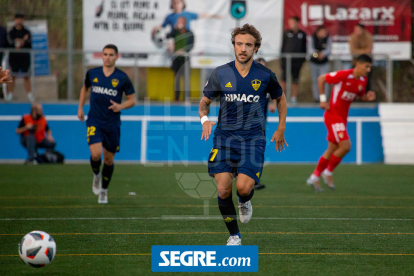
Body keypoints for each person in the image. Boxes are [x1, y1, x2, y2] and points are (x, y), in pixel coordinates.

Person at [199, 24, 288, 245]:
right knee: (222, 190)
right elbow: (204, 102)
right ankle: (234, 236)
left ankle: (245, 200)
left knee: (243, 188)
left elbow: (281, 99)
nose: (243, 48)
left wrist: (281, 127)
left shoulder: (266, 75)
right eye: (239, 44)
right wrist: (204, 119)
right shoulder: (220, 73)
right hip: (224, 139)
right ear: (234, 45)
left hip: (252, 140)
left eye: (248, 44)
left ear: (255, 48)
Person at [306, 54, 376, 192]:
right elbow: (321, 79)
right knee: (346, 146)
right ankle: (328, 172)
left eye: (370, 67)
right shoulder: (344, 75)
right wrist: (322, 99)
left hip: (342, 118)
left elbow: (358, 97)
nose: (368, 69)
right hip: (333, 115)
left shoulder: (363, 80)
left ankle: (314, 177)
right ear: (358, 64)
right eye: (366, 66)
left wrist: (366, 98)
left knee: (332, 149)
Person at [77, 44, 135, 204]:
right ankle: (96, 175)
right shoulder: (92, 73)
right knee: (96, 154)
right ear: (101, 56)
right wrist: (80, 107)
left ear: (117, 56)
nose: (107, 57)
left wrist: (120, 106)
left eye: (111, 54)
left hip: (112, 123)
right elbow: (84, 89)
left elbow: (132, 100)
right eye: (105, 54)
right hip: (94, 120)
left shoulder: (122, 77)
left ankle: (104, 190)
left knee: (108, 160)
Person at [152, 0, 221, 37]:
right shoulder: (170, 16)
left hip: (186, 38)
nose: (176, 5)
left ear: (182, 3)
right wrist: (155, 29)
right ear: (172, 4)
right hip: (175, 39)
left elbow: (201, 15)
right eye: (174, 3)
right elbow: (162, 26)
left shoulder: (187, 14)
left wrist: (215, 16)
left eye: (178, 2)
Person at [280, 16, 307, 104]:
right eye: (290, 23)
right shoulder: (286, 33)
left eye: (293, 23)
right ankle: (281, 98)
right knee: (284, 80)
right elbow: (283, 47)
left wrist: (302, 60)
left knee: (295, 80)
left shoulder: (302, 34)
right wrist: (282, 59)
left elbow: (304, 48)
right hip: (286, 61)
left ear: (298, 23)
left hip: (297, 62)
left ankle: (293, 98)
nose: (291, 25)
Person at [167, 16, 194, 101]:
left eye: (181, 22)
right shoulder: (175, 33)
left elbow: (191, 45)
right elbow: (168, 36)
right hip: (176, 59)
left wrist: (184, 50)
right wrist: (174, 29)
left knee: (186, 79)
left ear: (184, 23)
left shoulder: (189, 33)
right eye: (178, 22)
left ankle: (186, 97)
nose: (179, 23)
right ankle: (177, 97)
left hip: (185, 59)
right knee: (177, 79)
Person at [7, 14, 33, 102]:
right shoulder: (11, 32)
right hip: (14, 58)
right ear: (15, 20)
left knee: (26, 76)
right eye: (17, 19)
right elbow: (9, 42)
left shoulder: (26, 32)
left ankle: (29, 95)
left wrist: (23, 43)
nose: (19, 21)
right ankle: (10, 94)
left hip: (24, 58)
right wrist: (17, 43)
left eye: (20, 19)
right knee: (12, 76)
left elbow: (29, 42)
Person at [309, 26, 332, 102]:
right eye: (322, 32)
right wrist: (317, 54)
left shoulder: (328, 38)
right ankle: (316, 98)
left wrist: (323, 54)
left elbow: (329, 49)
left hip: (324, 63)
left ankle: (324, 98)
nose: (323, 34)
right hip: (314, 63)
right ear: (317, 32)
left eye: (325, 32)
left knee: (324, 80)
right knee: (315, 81)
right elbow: (310, 50)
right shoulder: (312, 38)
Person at [349, 24, 373, 91]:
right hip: (355, 63)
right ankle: (354, 96)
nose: (356, 31)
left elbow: (369, 50)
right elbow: (352, 51)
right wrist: (363, 51)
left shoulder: (368, 37)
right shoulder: (352, 37)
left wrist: (358, 52)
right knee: (354, 80)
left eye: (358, 30)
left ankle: (366, 96)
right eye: (355, 30)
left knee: (366, 81)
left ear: (363, 30)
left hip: (366, 64)